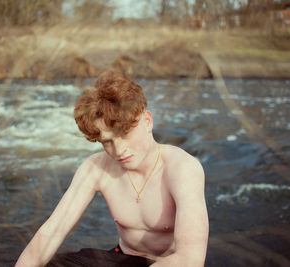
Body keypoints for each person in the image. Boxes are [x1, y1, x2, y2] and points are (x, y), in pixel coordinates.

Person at [15, 70, 209, 267]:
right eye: (107, 142)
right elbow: (52, 231)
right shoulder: (96, 167)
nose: (118, 150)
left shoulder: (182, 168)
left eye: (124, 134)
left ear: (147, 122)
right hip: (120, 258)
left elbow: (191, 258)